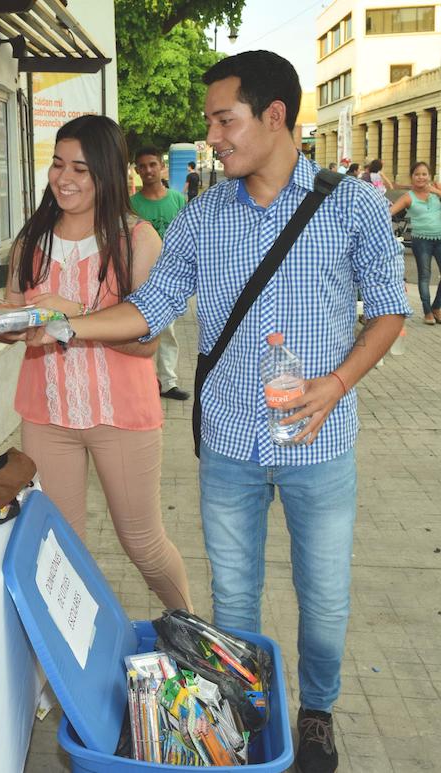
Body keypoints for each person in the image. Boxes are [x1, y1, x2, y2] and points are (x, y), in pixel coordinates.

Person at [26, 51, 408, 773]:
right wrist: (68, 323)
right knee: (234, 598)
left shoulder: (350, 203)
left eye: (223, 119)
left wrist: (338, 382)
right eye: (210, 121)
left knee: (323, 595)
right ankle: (239, 717)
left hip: (319, 443)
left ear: (274, 117)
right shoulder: (204, 214)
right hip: (230, 440)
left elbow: (390, 313)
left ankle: (318, 710)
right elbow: (150, 308)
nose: (213, 135)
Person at [0, 115, 193, 613]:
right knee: (62, 549)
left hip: (121, 417)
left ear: (106, 174)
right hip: (47, 417)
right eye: (58, 164)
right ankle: (73, 669)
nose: (64, 178)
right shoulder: (31, 241)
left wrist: (74, 318)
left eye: (80, 169)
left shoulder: (138, 239)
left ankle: (192, 631)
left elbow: (145, 345)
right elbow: (10, 323)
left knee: (142, 544)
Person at [131, 147, 189, 401]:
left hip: (170, 280)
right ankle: (142, 382)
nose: (148, 170)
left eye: (152, 164)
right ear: (136, 171)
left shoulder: (177, 200)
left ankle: (168, 383)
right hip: (139, 279)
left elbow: (188, 239)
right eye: (142, 166)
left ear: (161, 166)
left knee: (168, 332)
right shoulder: (132, 204)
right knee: (139, 333)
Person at [390, 161, 441, 324]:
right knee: (425, 276)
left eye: (424, 174)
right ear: (412, 177)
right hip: (421, 241)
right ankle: (427, 312)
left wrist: (436, 192)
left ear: (429, 176)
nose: (421, 177)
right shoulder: (408, 197)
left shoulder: (437, 192)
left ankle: (436, 307)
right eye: (417, 174)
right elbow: (389, 212)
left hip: (440, 238)